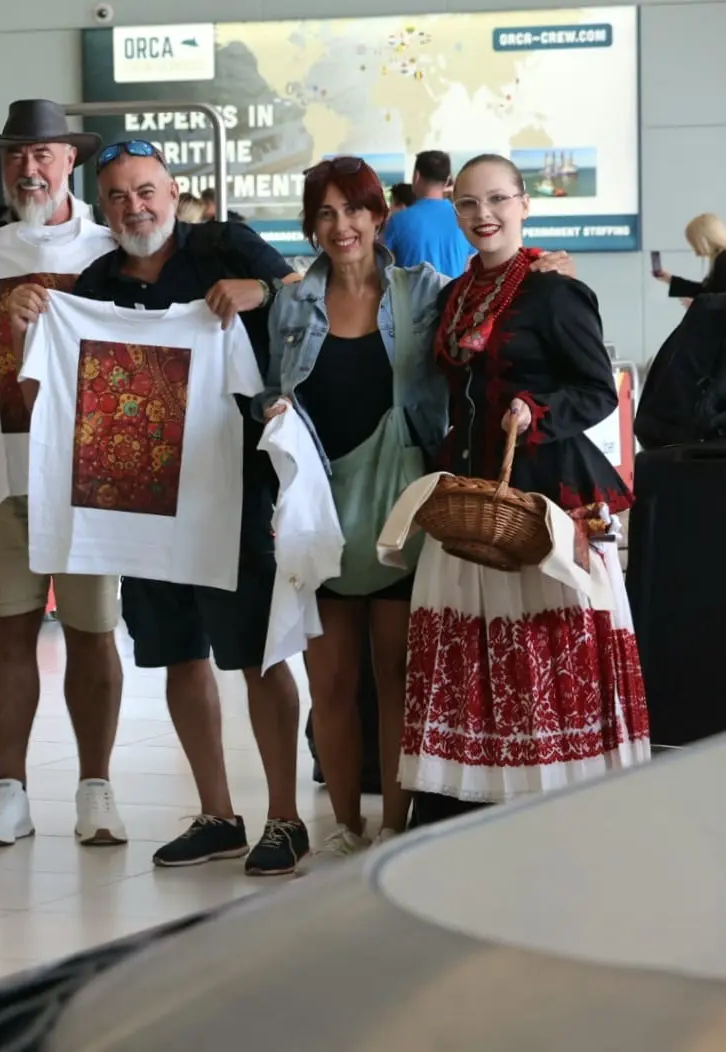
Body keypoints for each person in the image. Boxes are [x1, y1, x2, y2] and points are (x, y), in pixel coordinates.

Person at [6, 140, 311, 876]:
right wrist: (27, 329)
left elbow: (312, 297)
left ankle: (286, 818)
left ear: (173, 193)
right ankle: (218, 815)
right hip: (139, 505)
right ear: (102, 209)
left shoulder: (224, 246)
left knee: (257, 653)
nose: (134, 207)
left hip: (231, 491)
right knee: (178, 654)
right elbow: (46, 400)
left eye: (146, 191)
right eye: (117, 196)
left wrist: (260, 291)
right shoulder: (93, 287)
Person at [401, 153, 649, 826]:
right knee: (471, 647)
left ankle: (562, 802)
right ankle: (465, 802)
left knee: (548, 645)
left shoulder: (554, 290)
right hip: (472, 496)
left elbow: (598, 389)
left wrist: (534, 412)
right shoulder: (456, 295)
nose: (483, 215)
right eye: (468, 204)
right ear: (454, 212)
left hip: (547, 494)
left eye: (497, 200)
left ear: (524, 205)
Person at [0, 99, 129, 847]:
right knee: (9, 627)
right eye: (15, 155)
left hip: (89, 478)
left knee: (93, 630)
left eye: (42, 154)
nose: (28, 168)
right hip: (0, 466)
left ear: (71, 160)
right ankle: (9, 789)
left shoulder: (110, 249)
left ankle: (96, 787)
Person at [262, 157, 450, 856]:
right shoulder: (292, 302)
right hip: (322, 509)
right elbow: (266, 387)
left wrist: (548, 270)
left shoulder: (421, 290)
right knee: (331, 679)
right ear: (312, 226)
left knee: (396, 674)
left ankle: (395, 825)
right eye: (326, 213)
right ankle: (345, 825)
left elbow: (482, 322)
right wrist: (269, 408)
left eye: (354, 210)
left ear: (379, 216)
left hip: (401, 504)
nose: (342, 226)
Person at [382, 150, 473, 278]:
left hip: (410, 292)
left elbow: (384, 268)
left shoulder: (398, 221)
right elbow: (469, 267)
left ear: (416, 176)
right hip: (455, 291)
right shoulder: (464, 218)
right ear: (447, 179)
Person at [653, 213, 726, 299]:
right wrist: (669, 279)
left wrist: (698, 303)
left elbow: (718, 298)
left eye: (694, 243)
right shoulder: (720, 258)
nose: (695, 249)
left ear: (702, 241)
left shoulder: (723, 260)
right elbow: (706, 290)